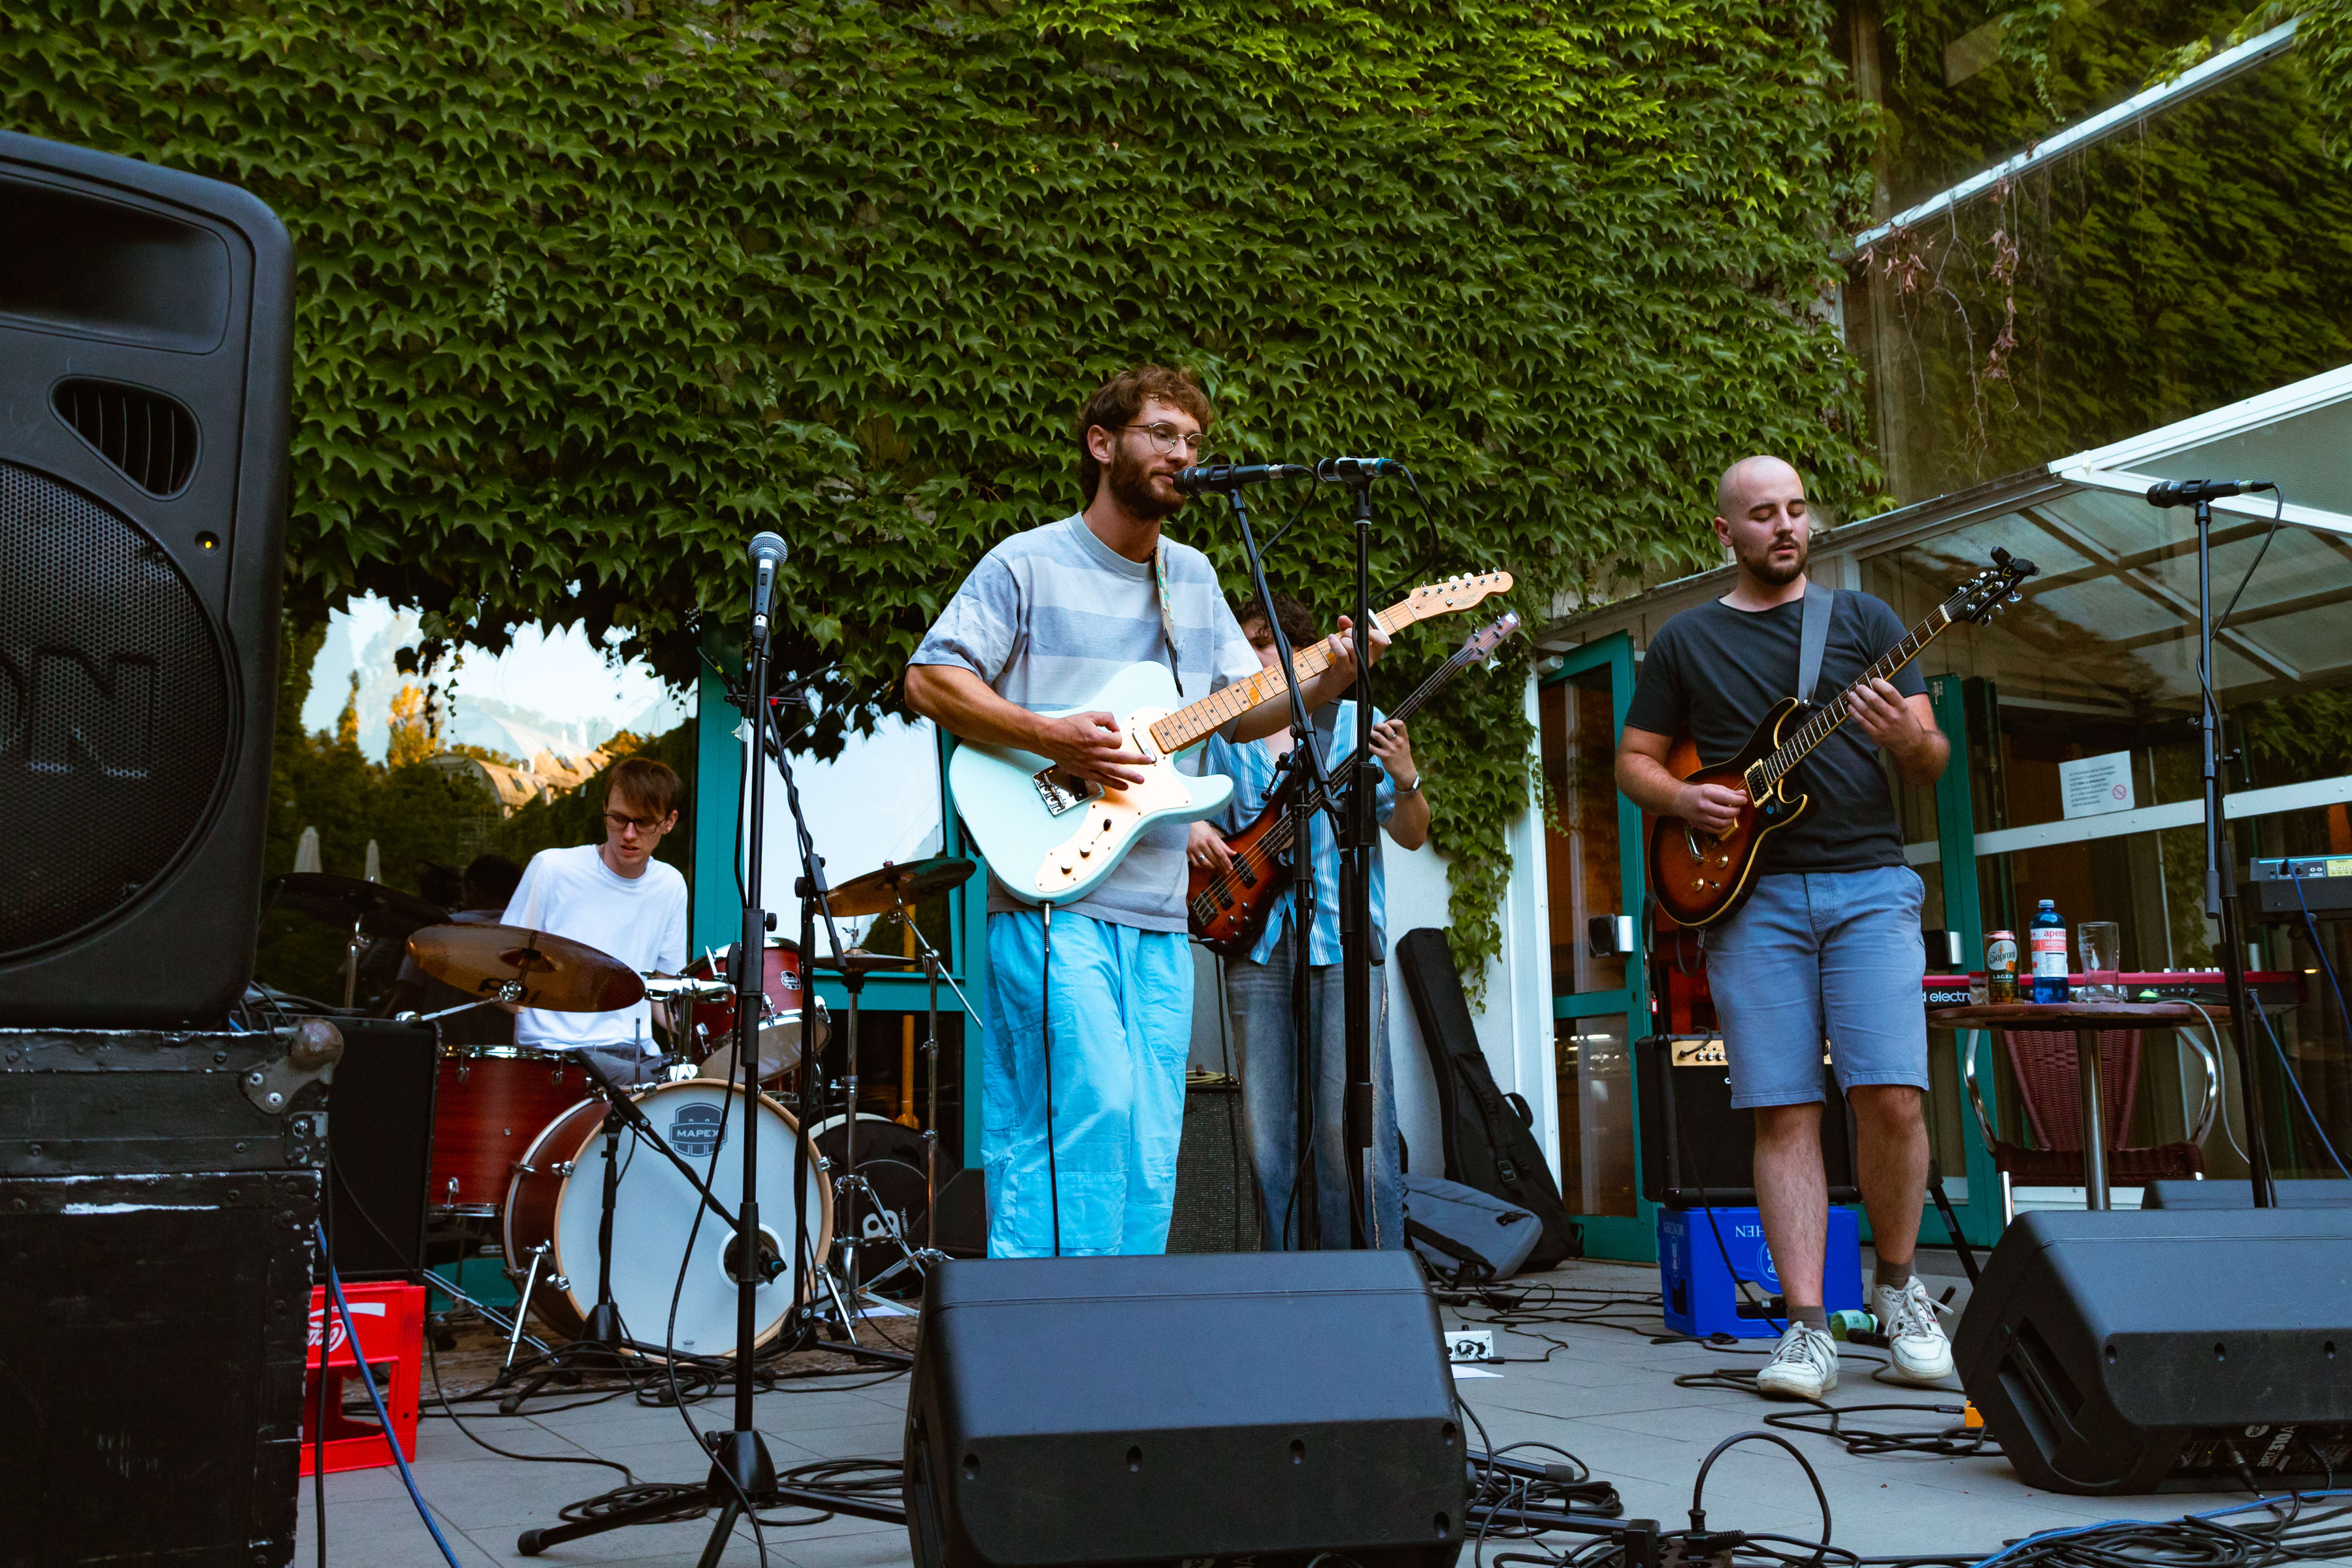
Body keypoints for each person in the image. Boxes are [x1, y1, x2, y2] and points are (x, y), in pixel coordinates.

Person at [904, 364, 1386, 1258]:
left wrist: (1335, 673)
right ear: (1103, 444)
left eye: (1195, 442)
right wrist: (1051, 738)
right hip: (1053, 893)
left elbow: (1236, 714)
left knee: (1149, 1139)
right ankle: (1038, 1329)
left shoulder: (1192, 578)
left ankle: (1118, 1328)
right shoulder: (1027, 562)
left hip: (1161, 910)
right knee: (1081, 1114)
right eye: (1163, 433)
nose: (1183, 454)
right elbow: (931, 677)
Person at [1614, 455, 1953, 1399]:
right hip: (1750, 899)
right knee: (1784, 1108)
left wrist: (1901, 738)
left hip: (1870, 885)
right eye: (1763, 514)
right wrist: (1685, 799)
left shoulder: (1867, 623)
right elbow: (1633, 762)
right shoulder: (1685, 643)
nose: (1786, 527)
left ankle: (1898, 1289)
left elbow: (1932, 758)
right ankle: (1807, 1328)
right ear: (1726, 532)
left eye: (1798, 510)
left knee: (1892, 1095)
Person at [1191, 591, 1430, 1250]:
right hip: (1256, 945)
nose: (1249, 660)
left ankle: (1376, 1274)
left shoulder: (1358, 723)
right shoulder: (1222, 738)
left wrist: (1406, 779)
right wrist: (1198, 834)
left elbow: (1411, 834)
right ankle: (1282, 1277)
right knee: (1266, 1132)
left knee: (1350, 1124)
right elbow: (1192, 816)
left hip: (1344, 940)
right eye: (1241, 649)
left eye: (1263, 645)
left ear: (1301, 655)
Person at [499, 757, 690, 1090]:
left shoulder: (670, 885)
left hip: (635, 1053)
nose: (628, 834)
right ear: (605, 810)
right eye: (618, 819)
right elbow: (500, 969)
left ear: (669, 822)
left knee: (705, 1092)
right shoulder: (552, 868)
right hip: (558, 1051)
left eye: (643, 823)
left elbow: (662, 991)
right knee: (649, 1087)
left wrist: (712, 1037)